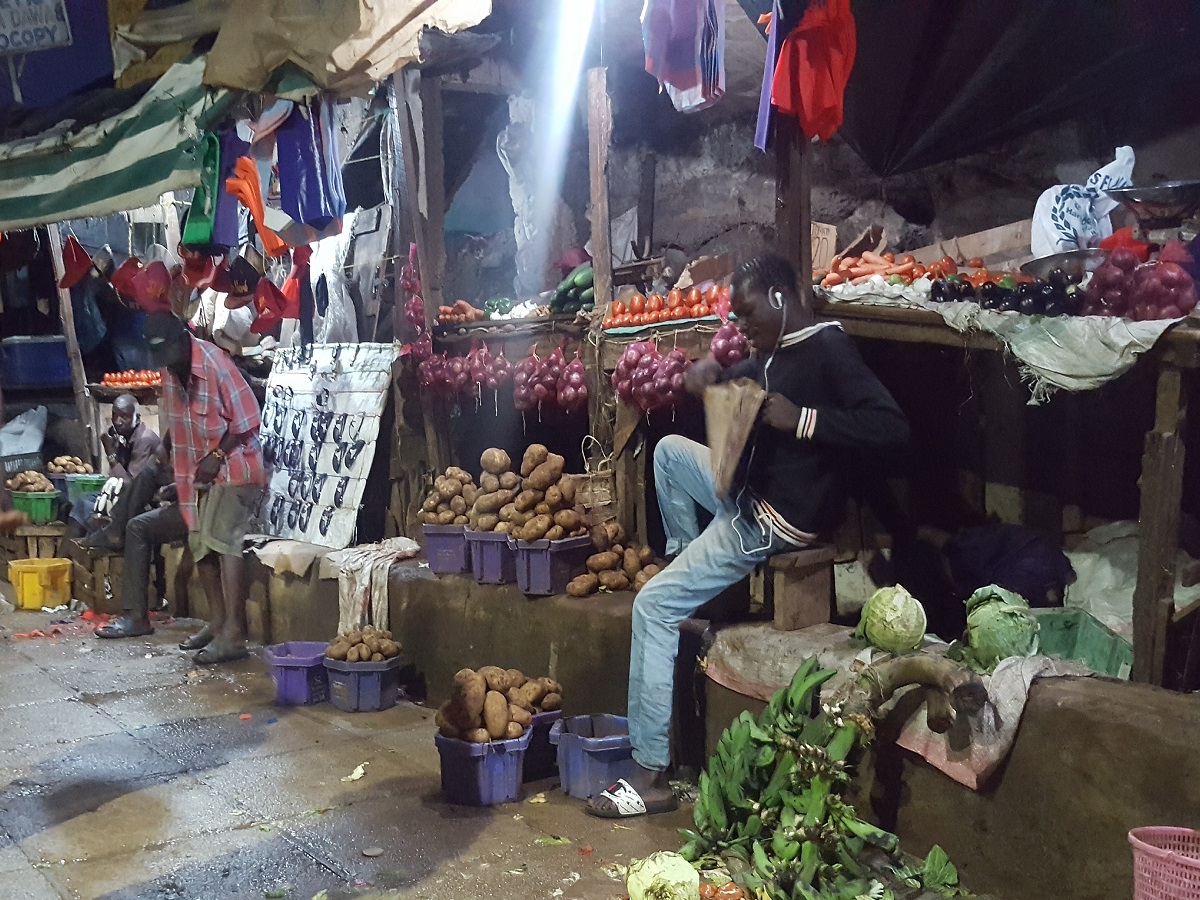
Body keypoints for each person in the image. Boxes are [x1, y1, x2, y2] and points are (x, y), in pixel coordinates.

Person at [587, 255, 911, 818]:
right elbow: (757, 398)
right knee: (668, 454)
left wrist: (804, 420)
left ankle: (651, 773)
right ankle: (708, 586)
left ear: (781, 296)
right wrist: (713, 383)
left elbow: (893, 430)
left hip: (769, 517)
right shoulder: (775, 350)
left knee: (654, 606)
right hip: (743, 494)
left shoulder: (829, 348)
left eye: (748, 312)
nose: (742, 325)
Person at [96, 312, 267, 666]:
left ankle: (234, 634)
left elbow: (249, 419)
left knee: (223, 537)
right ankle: (218, 623)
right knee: (199, 544)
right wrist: (167, 447)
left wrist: (218, 454)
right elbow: (180, 417)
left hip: (236, 466)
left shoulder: (216, 364)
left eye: (168, 355)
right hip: (196, 476)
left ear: (183, 340)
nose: (165, 365)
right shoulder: (171, 372)